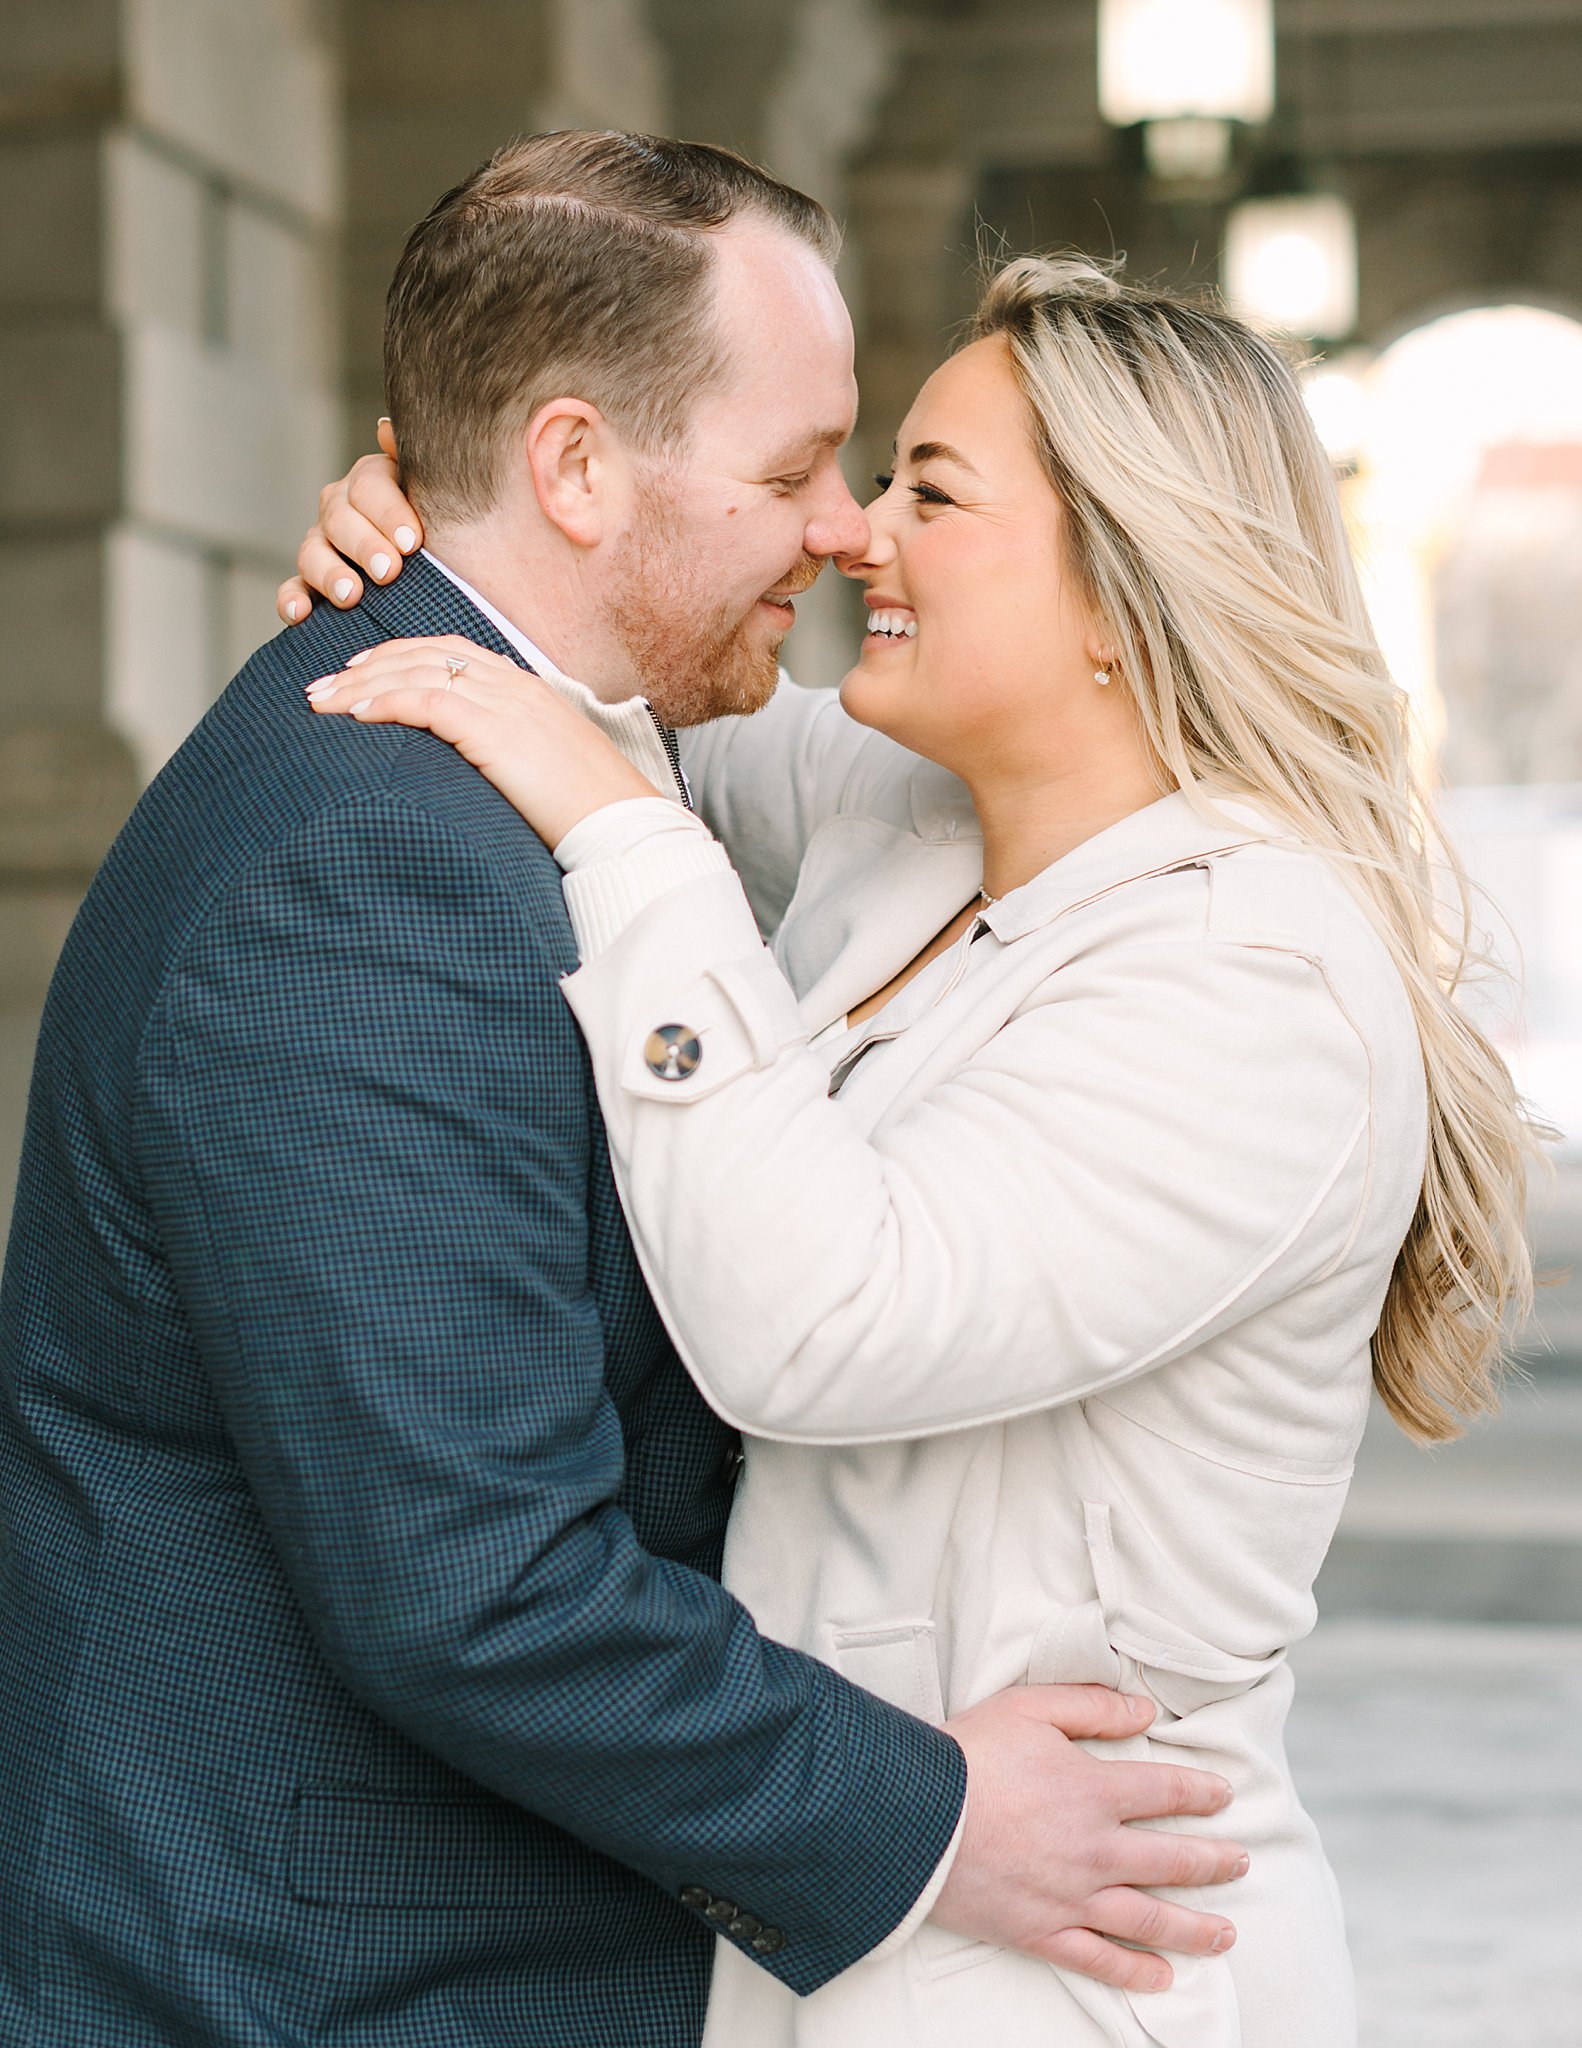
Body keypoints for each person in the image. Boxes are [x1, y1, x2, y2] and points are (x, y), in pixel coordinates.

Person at [0, 137, 1246, 2048]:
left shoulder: (550, 754)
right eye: (789, 471)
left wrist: (427, 506)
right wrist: (935, 1820)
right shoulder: (375, 861)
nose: (840, 532)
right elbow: (478, 1588)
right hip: (318, 1983)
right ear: (575, 467)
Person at [295, 254, 1538, 2047]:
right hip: (875, 1896)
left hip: (1080, 1951)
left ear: (1122, 586)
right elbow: (613, 683)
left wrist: (628, 845)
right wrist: (441, 543)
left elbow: (816, 1326)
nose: (853, 535)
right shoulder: (923, 811)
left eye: (928, 494)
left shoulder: (1258, 981)